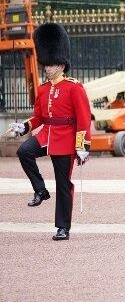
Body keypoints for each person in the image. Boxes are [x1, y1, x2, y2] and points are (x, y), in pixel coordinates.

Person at [11, 23, 91, 241]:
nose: (47, 68)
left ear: (62, 65)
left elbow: (83, 118)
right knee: (24, 152)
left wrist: (82, 145)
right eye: (46, 64)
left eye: (51, 64)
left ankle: (63, 227)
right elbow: (38, 116)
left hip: (66, 139)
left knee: (63, 184)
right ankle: (40, 190)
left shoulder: (74, 87)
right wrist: (25, 126)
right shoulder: (43, 89)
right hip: (46, 135)